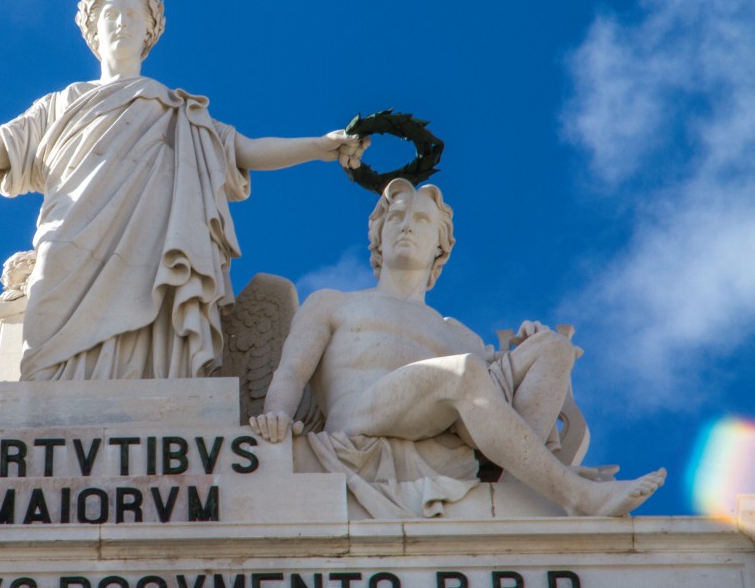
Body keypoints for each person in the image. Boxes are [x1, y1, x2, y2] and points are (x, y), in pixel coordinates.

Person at [0, 0, 369, 382]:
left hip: (153, 245)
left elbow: (248, 150)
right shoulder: (58, 105)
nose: (123, 22)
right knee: (43, 343)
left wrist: (321, 147)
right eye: (112, 13)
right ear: (92, 31)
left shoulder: (180, 111)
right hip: (70, 236)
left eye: (134, 14)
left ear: (150, 32)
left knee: (152, 330)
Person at [249, 178, 665, 517]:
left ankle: (519, 492)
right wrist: (278, 416)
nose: (406, 225)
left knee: (551, 348)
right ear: (378, 238)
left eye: (421, 220)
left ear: (439, 246)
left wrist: (526, 346)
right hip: (359, 426)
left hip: (441, 422)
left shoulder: (460, 335)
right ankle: (574, 495)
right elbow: (290, 372)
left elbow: (493, 405)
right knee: (465, 372)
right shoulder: (333, 302)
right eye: (395, 217)